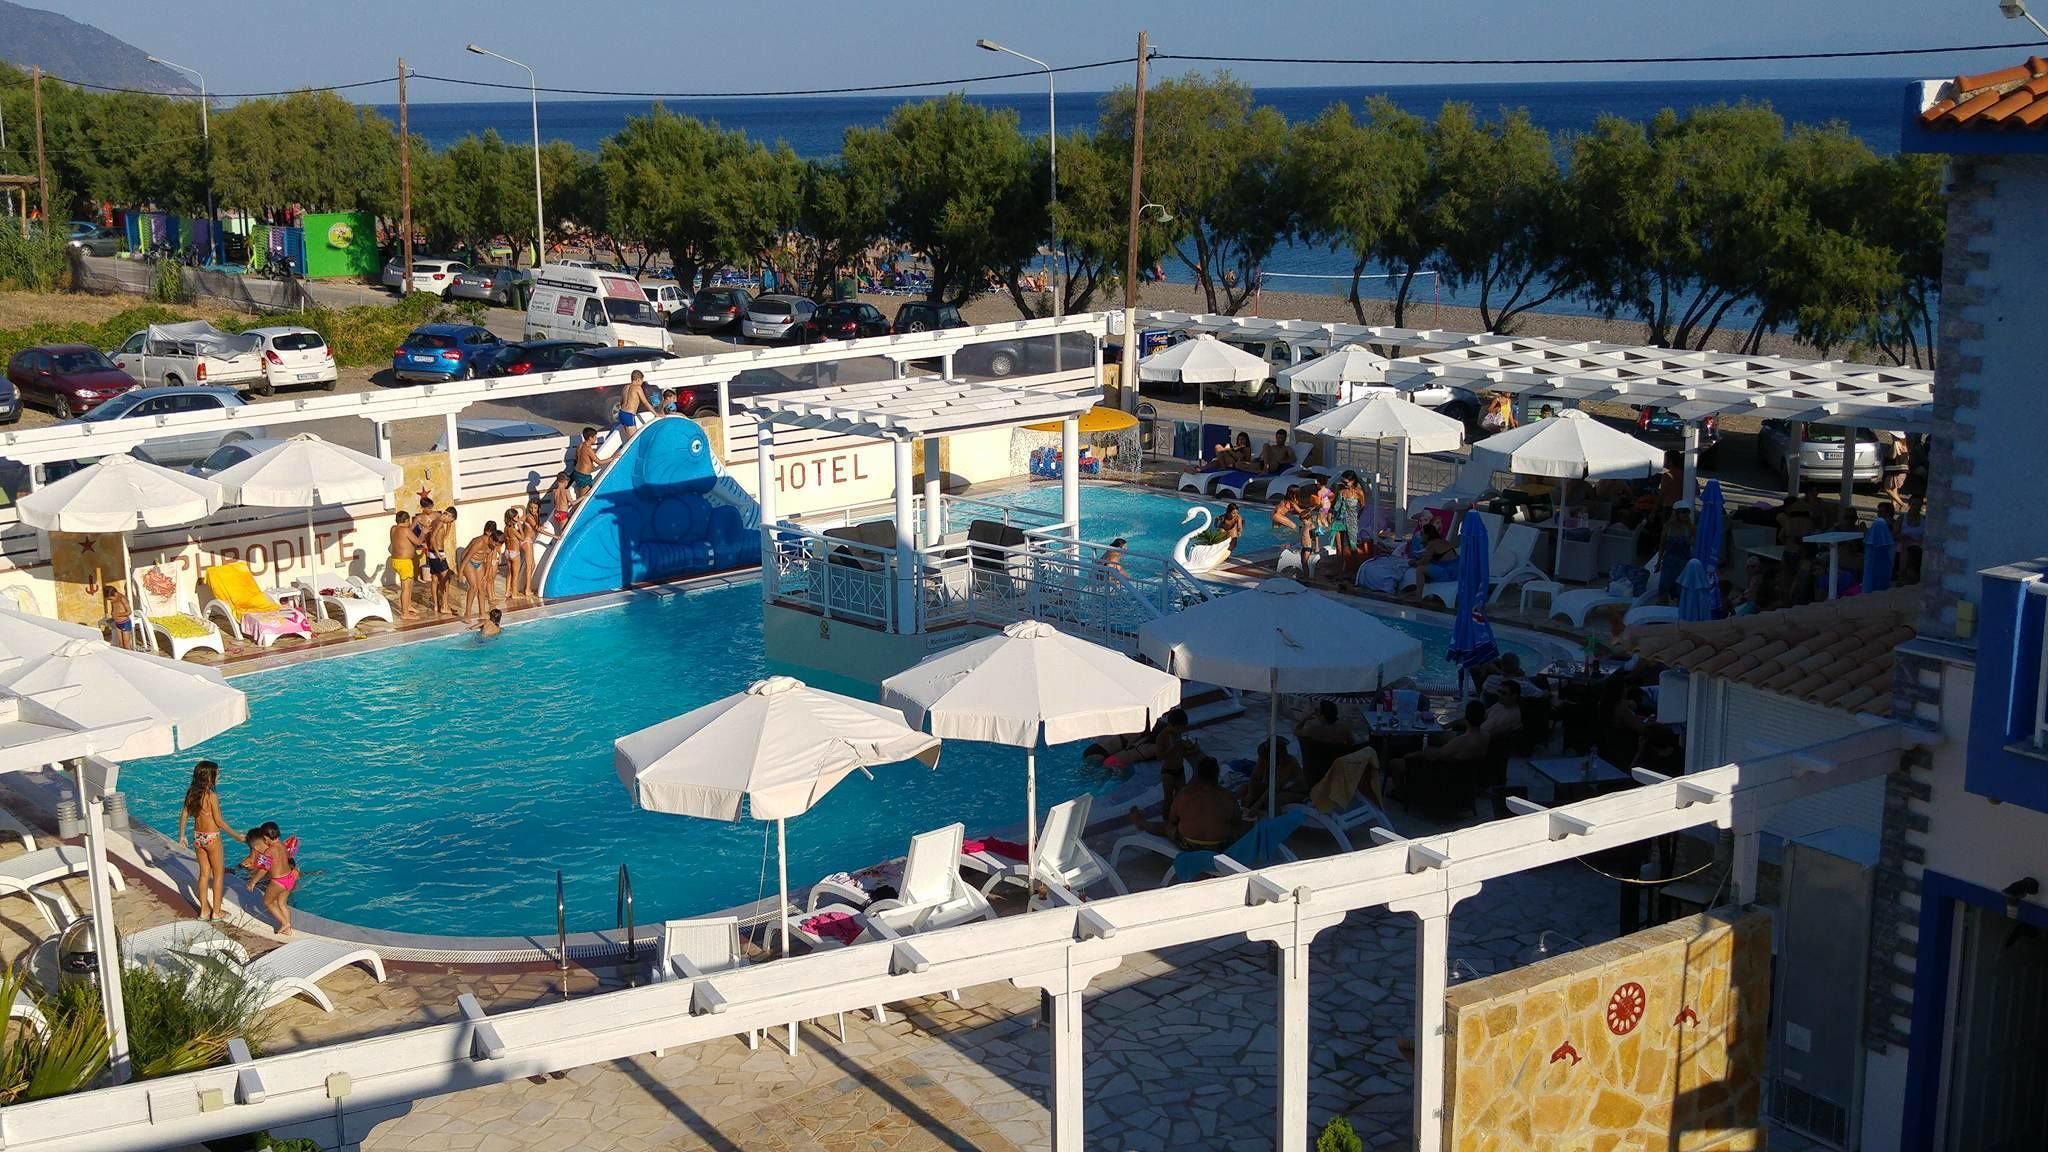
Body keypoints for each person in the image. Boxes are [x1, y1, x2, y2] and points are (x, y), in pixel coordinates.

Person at [177, 761, 245, 921]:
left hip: (197, 837)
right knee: (218, 874)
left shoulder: (191, 793)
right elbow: (219, 821)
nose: (218, 776)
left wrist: (182, 836)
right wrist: (236, 835)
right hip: (212, 838)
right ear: (209, 777)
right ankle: (217, 912)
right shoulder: (212, 796)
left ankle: (204, 911)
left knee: (204, 874)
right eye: (217, 773)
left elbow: (184, 815)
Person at [1128, 756, 1240, 849]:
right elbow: (1236, 821)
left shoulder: (1185, 794)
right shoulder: (1228, 795)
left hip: (1189, 844)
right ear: (1217, 775)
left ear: (1198, 775)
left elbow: (1172, 820)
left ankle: (1142, 823)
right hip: (1220, 845)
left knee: (1166, 827)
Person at [1239, 738, 1307, 814]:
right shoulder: (1264, 757)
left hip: (1295, 791)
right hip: (1273, 788)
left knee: (1275, 800)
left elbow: (1275, 786)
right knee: (1244, 788)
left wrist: (1257, 805)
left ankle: (1275, 819)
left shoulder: (1290, 762)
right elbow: (1254, 777)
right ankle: (1238, 810)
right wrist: (1250, 795)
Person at [459, 523, 504, 622]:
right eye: (496, 544)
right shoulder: (479, 542)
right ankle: (467, 613)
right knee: (473, 587)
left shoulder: (493, 546)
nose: (496, 547)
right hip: (468, 562)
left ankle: (482, 613)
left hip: (479, 564)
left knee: (482, 588)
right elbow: (467, 557)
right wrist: (460, 573)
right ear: (491, 539)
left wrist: (487, 574)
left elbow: (488, 560)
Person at [262, 842, 299, 936]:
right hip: (289, 881)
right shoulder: (282, 847)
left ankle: (285, 923)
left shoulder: (268, 851)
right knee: (282, 903)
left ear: (266, 838)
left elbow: (263, 868)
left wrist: (253, 881)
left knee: (268, 902)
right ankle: (288, 930)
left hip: (279, 882)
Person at [427, 508, 459, 615]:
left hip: (431, 554)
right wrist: (438, 554)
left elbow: (441, 537)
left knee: (435, 579)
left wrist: (449, 526)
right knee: (446, 580)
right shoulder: (440, 522)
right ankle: (444, 606)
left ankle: (436, 605)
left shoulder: (435, 520)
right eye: (451, 521)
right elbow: (432, 539)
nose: (449, 523)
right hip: (438, 553)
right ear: (449, 516)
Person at [571, 427, 617, 499]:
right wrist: (613, 457)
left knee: (579, 496)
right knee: (583, 498)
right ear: (590, 438)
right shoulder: (588, 449)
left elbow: (577, 458)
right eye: (595, 437)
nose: (596, 438)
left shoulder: (580, 445)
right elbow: (599, 462)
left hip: (577, 473)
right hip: (584, 476)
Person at [389, 511, 419, 619]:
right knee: (405, 588)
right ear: (407, 521)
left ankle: (408, 606)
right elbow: (418, 542)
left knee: (410, 584)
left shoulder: (393, 529)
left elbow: (401, 537)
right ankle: (405, 613)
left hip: (396, 560)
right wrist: (424, 532)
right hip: (404, 562)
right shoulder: (406, 530)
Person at [617, 370, 650, 442]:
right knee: (633, 440)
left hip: (621, 413)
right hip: (629, 415)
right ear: (638, 379)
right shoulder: (637, 388)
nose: (641, 383)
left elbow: (621, 402)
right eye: (641, 381)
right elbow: (645, 402)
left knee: (628, 439)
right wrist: (656, 413)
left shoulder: (625, 387)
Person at [103, 584, 134, 650]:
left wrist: (118, 615)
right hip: (117, 624)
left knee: (126, 645)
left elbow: (129, 612)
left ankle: (132, 658)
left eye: (110, 598)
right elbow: (114, 609)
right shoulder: (113, 599)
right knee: (120, 645)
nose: (110, 601)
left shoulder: (122, 599)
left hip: (125, 623)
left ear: (114, 594)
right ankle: (123, 659)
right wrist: (112, 613)